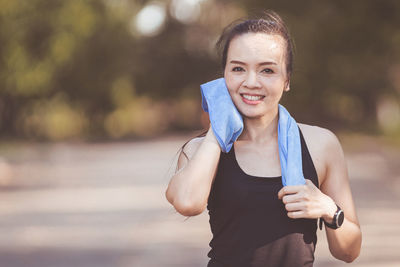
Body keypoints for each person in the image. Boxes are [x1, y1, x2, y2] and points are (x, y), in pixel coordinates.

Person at [165, 10, 362, 267]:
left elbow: (349, 251)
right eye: (238, 68)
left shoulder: (321, 145)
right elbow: (188, 203)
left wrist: (328, 209)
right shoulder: (202, 149)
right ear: (223, 76)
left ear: (287, 79)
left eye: (267, 70)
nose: (251, 82)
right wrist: (217, 130)